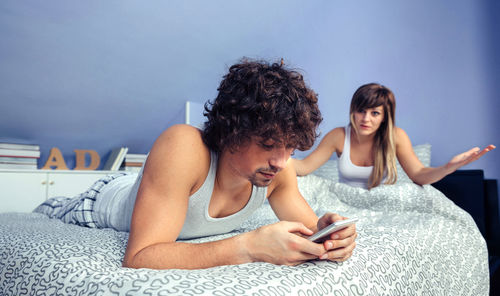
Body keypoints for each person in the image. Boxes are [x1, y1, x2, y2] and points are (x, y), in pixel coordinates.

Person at [34, 59, 357, 270]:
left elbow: (311, 232)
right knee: (49, 207)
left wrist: (331, 236)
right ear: (233, 130)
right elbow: (140, 256)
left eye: (290, 147)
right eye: (269, 144)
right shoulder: (184, 145)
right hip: (102, 201)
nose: (282, 160)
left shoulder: (278, 170)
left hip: (159, 187)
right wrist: (249, 246)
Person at [293, 83, 495, 189]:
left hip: (382, 208)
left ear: (384, 117)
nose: (366, 119)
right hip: (345, 205)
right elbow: (303, 167)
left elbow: (419, 175)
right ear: (352, 111)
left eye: (375, 113)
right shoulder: (339, 136)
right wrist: (273, 155)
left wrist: (450, 167)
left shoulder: (396, 137)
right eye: (361, 111)